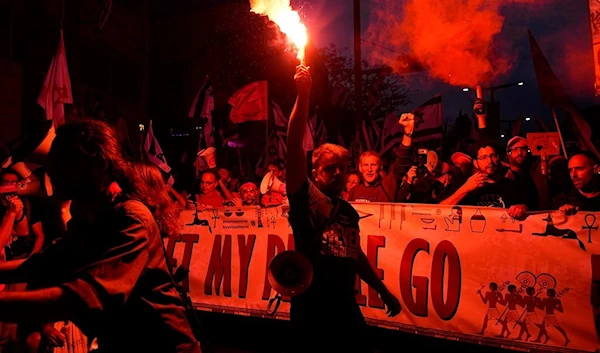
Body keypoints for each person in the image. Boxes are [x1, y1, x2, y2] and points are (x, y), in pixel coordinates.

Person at [0, 119, 201, 353]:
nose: (50, 171)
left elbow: (87, 297)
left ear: (93, 166)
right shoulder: (93, 218)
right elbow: (43, 264)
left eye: (60, 162)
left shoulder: (131, 217)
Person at [285, 65, 401, 352]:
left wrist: (383, 291)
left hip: (344, 304)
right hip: (312, 305)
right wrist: (304, 94)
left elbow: (355, 255)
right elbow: (293, 145)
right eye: (329, 168)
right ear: (315, 172)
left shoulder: (348, 212)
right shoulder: (306, 196)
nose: (337, 173)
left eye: (342, 168)